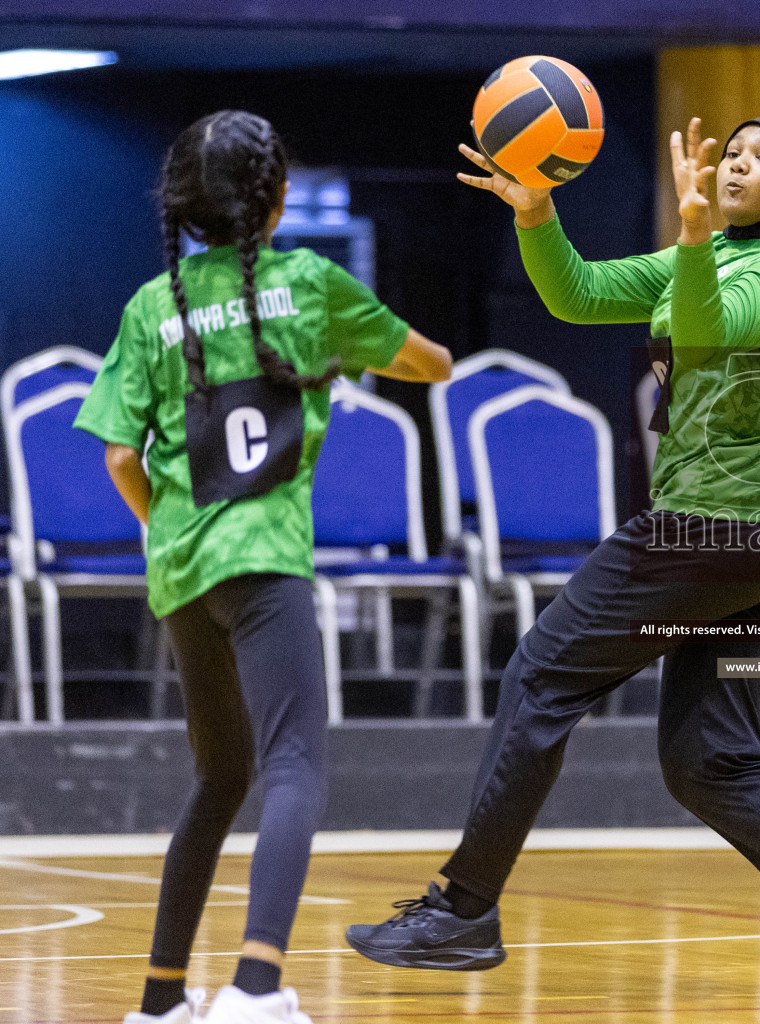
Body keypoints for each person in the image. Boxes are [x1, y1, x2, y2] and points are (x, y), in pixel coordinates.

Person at [344, 115, 760, 995]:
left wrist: (693, 238)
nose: (738, 163)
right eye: (732, 151)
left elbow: (702, 336)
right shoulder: (714, 253)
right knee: (711, 760)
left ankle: (463, 912)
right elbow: (575, 295)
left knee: (541, 677)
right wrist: (538, 214)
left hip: (720, 529)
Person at [81, 110, 452, 1024]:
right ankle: (255, 987)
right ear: (277, 198)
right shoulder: (311, 287)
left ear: (184, 208)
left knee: (218, 779)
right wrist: (372, 354)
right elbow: (430, 366)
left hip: (181, 572)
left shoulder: (149, 305)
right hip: (267, 564)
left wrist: (171, 531)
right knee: (295, 770)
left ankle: (162, 1001)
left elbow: (120, 458)